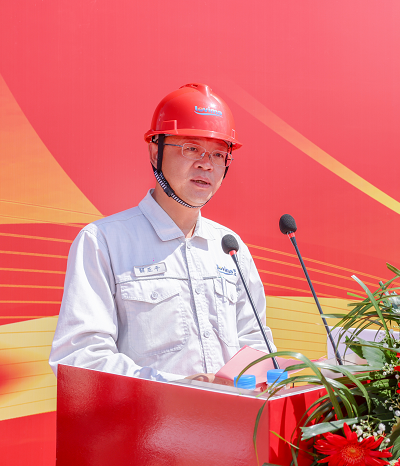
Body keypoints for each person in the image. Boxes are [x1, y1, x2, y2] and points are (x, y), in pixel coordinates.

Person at [49, 83, 275, 383]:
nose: (206, 164)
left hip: (233, 413)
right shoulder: (104, 242)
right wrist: (175, 388)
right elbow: (80, 357)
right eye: (191, 148)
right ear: (155, 152)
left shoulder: (230, 248)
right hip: (148, 415)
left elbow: (257, 345)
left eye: (219, 154)